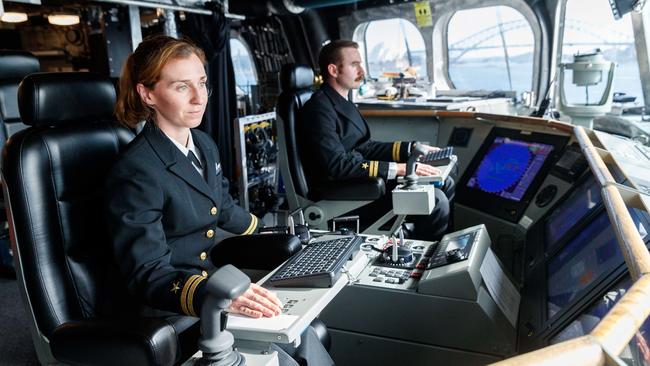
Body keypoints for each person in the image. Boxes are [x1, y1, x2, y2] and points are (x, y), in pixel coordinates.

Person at [106, 35, 332, 366]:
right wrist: (216, 295)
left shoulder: (202, 143)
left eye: (202, 83)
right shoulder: (136, 170)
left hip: (211, 282)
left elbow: (222, 207)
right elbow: (148, 274)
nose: (200, 98)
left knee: (303, 331)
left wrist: (278, 232)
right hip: (171, 307)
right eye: (182, 87)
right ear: (148, 94)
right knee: (277, 354)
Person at [299, 40, 453, 241]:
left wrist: (411, 149)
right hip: (345, 192)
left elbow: (365, 146)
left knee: (445, 183)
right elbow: (336, 165)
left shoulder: (341, 101)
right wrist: (398, 169)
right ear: (334, 70)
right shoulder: (318, 109)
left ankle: (442, 248)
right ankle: (427, 261)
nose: (362, 70)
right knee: (435, 200)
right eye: (354, 65)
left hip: (361, 179)